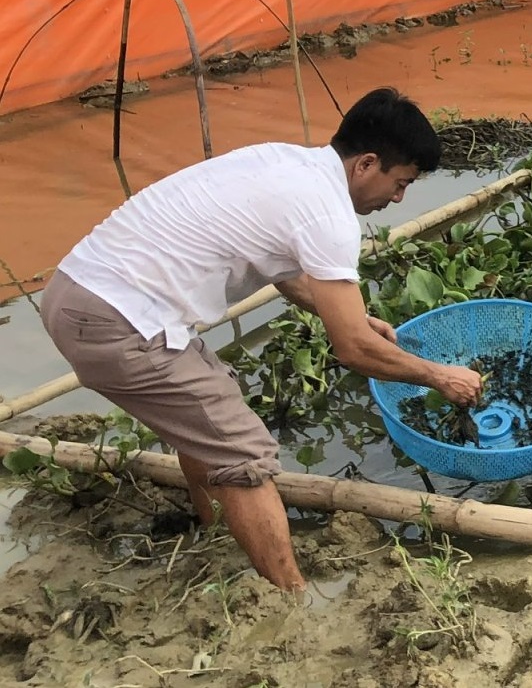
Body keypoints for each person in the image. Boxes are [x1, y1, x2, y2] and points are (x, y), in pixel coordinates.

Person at [38, 86, 483, 592]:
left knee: (210, 402)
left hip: (74, 293)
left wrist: (347, 318)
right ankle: (291, 600)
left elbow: (282, 270)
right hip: (118, 321)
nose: (397, 199)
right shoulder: (330, 214)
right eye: (399, 183)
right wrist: (437, 375)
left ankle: (214, 529)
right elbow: (352, 350)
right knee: (244, 452)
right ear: (367, 164)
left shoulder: (281, 161)